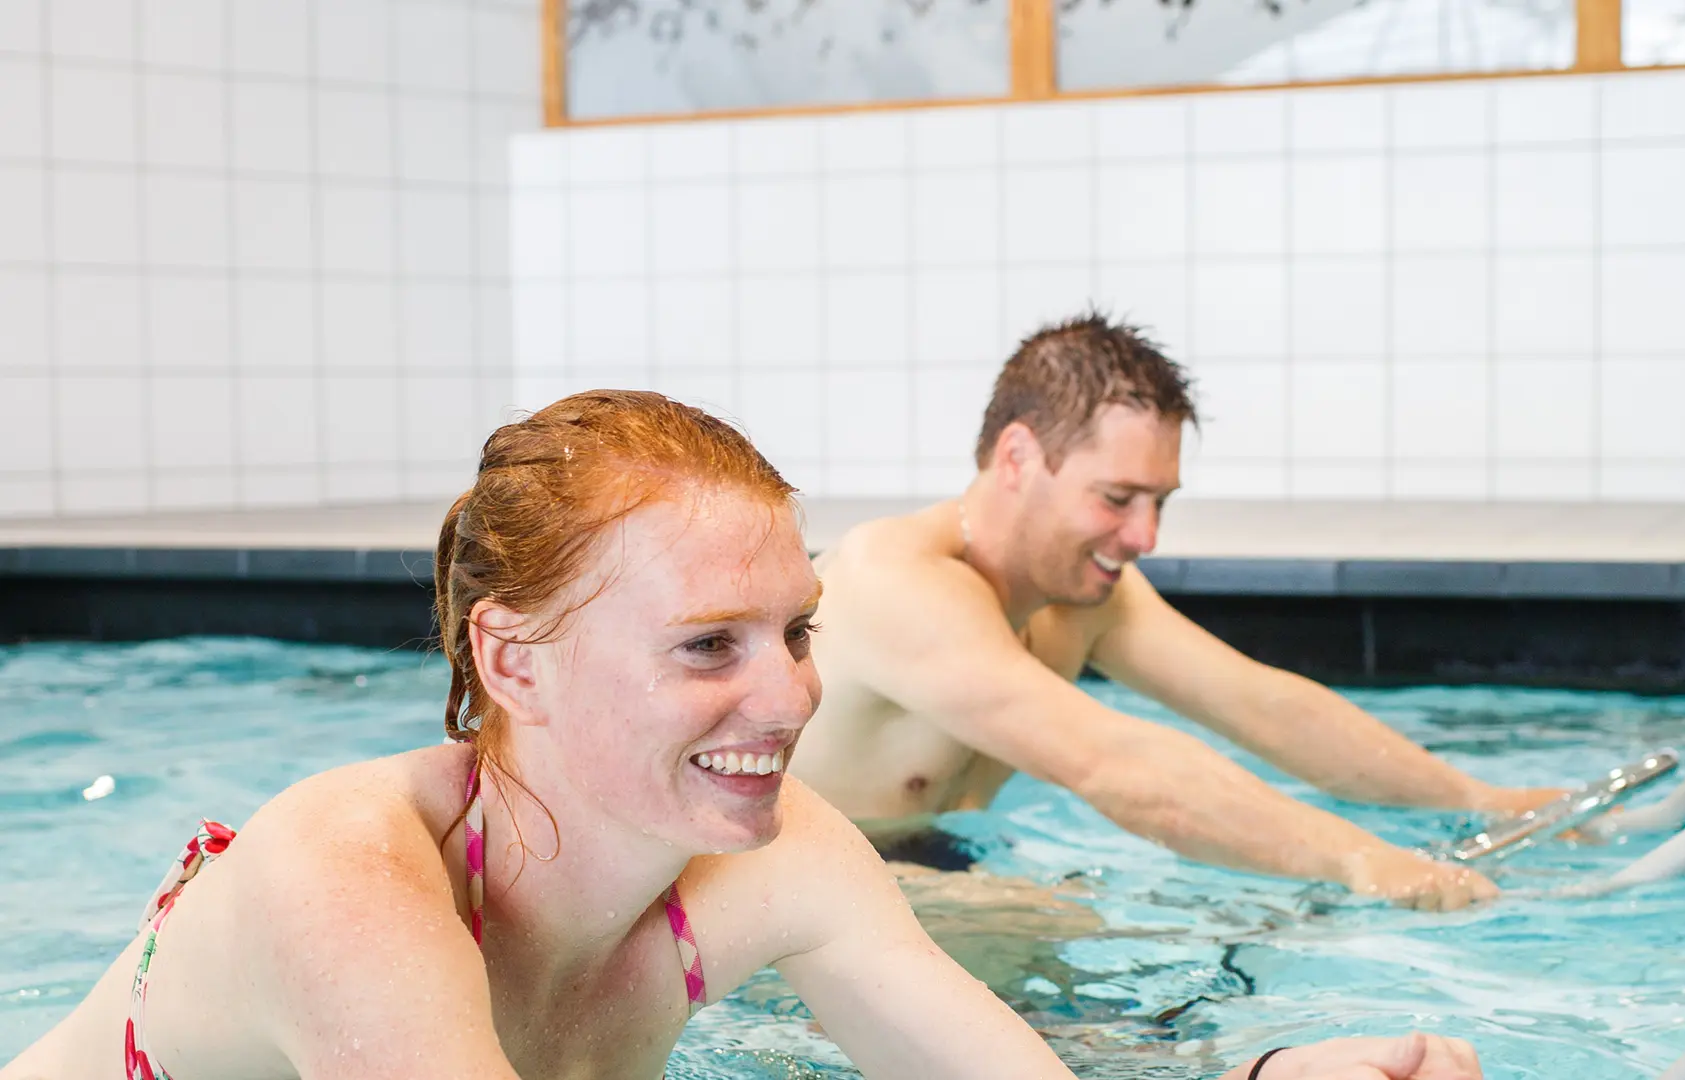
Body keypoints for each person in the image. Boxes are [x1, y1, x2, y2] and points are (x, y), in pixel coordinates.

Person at [1, 390, 1483, 1080]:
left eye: (796, 632)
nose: (788, 701)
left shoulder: (786, 864)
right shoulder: (347, 877)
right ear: (510, 658)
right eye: (707, 647)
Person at [790, 316, 1565, 912]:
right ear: (1019, 458)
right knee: (1068, 921)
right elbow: (1116, 765)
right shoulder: (897, 581)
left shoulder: (1080, 596)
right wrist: (1356, 859)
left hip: (930, 876)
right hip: (799, 917)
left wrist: (1480, 800)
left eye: (1159, 502)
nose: (1146, 536)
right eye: (1118, 499)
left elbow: (1264, 707)